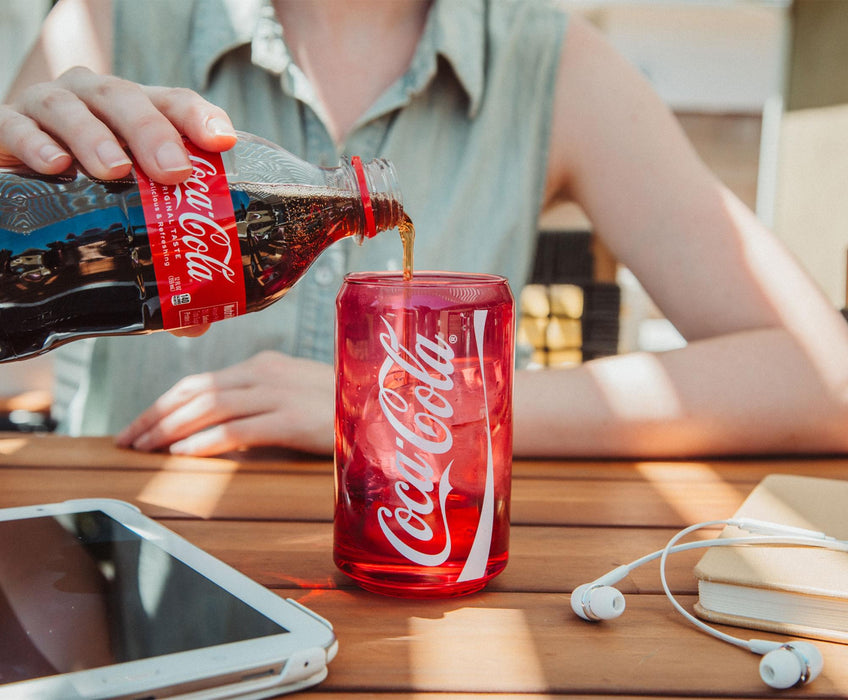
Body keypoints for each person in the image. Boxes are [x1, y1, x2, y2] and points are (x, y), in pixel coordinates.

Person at [3, 0, 848, 459]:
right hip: (125, 580)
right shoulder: (113, 20)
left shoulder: (550, 61)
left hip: (420, 597)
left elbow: (825, 380)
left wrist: (420, 404)